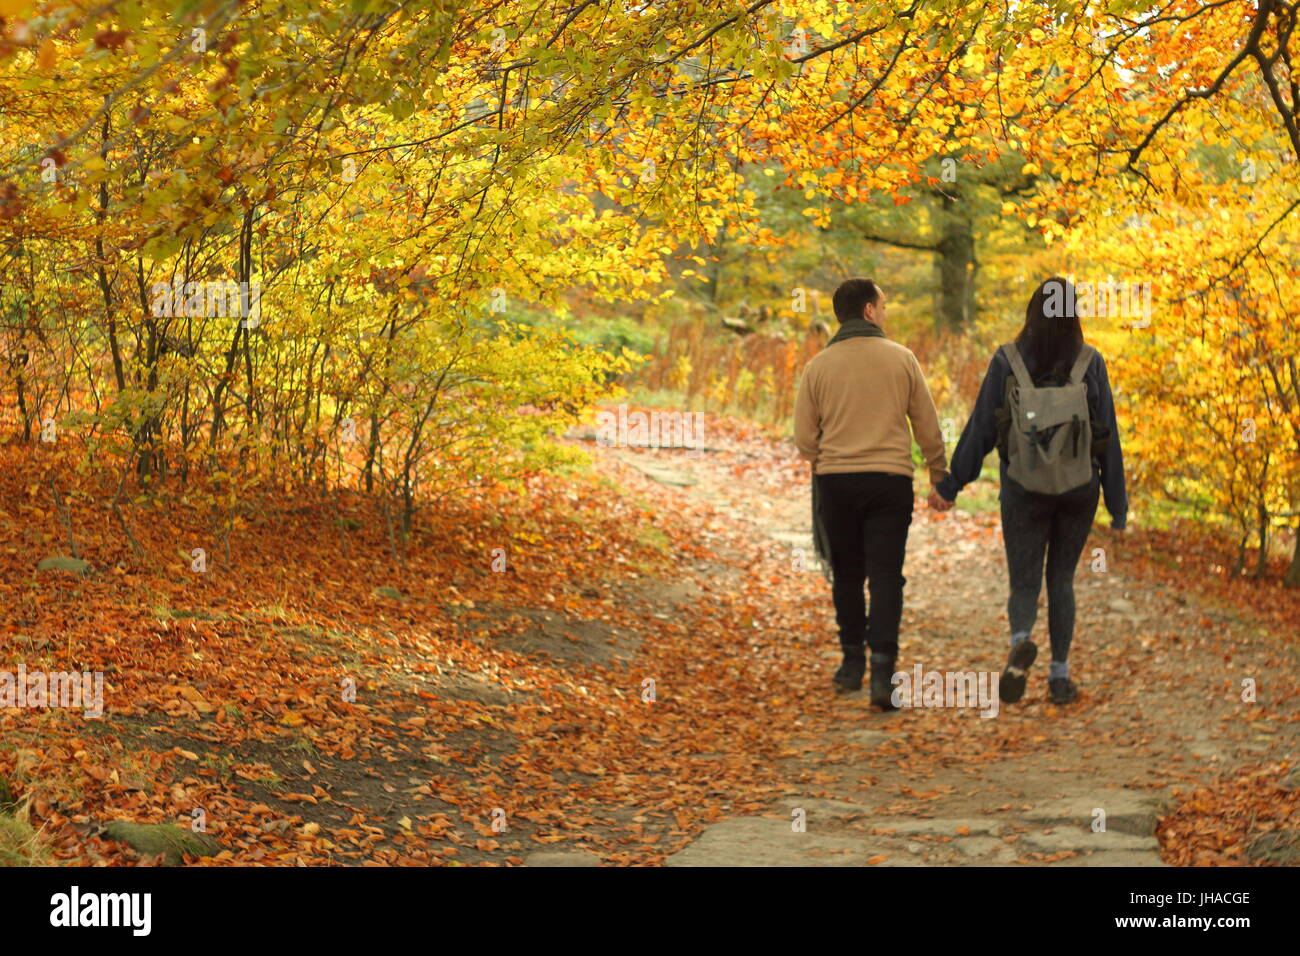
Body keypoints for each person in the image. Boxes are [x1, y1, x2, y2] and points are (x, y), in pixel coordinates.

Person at [935, 276, 1128, 705]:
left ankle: (1021, 640)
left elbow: (982, 428)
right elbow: (1108, 436)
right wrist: (1117, 505)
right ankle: (1059, 677)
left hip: (1023, 489)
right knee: (1061, 580)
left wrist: (951, 484)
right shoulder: (1090, 362)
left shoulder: (1008, 361)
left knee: (1024, 583)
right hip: (1078, 490)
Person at [794, 278, 950, 708]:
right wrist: (939, 474)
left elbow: (804, 440)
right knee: (885, 576)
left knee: (846, 573)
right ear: (867, 311)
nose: (885, 313)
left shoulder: (818, 367)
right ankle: (884, 672)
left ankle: (850, 665)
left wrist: (828, 454)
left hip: (837, 482)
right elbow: (927, 425)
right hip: (890, 481)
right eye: (882, 306)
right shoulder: (902, 359)